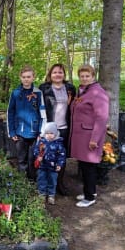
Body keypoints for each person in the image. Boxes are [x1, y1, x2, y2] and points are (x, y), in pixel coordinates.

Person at [70, 64, 109, 208]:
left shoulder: (98, 93)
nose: (84, 78)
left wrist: (94, 139)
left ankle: (90, 196)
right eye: (82, 76)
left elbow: (102, 118)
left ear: (93, 76)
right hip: (82, 136)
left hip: (89, 137)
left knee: (89, 166)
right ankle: (88, 191)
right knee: (84, 165)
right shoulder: (83, 91)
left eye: (87, 76)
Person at [39, 64, 76, 195]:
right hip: (49, 129)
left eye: (60, 72)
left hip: (64, 128)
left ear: (64, 74)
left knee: (61, 157)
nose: (57, 75)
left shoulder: (70, 88)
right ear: (50, 74)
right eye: (54, 72)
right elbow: (39, 108)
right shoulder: (44, 88)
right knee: (47, 157)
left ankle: (59, 184)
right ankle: (46, 187)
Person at [7, 65, 46, 179]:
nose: (26, 79)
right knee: (21, 159)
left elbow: (43, 114)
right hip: (20, 133)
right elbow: (10, 113)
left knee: (32, 159)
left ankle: (32, 182)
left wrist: (41, 133)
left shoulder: (38, 93)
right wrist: (12, 132)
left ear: (33, 77)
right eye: (24, 77)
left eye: (28, 77)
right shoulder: (15, 93)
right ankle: (22, 183)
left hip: (34, 133)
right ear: (20, 78)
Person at [33, 122, 66, 205]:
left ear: (55, 134)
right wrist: (38, 156)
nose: (49, 135)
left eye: (51, 133)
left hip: (53, 168)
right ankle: (42, 194)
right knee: (41, 179)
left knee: (52, 181)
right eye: (47, 133)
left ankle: (51, 195)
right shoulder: (41, 142)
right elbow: (36, 150)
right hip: (42, 166)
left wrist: (59, 164)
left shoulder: (58, 144)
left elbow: (61, 155)